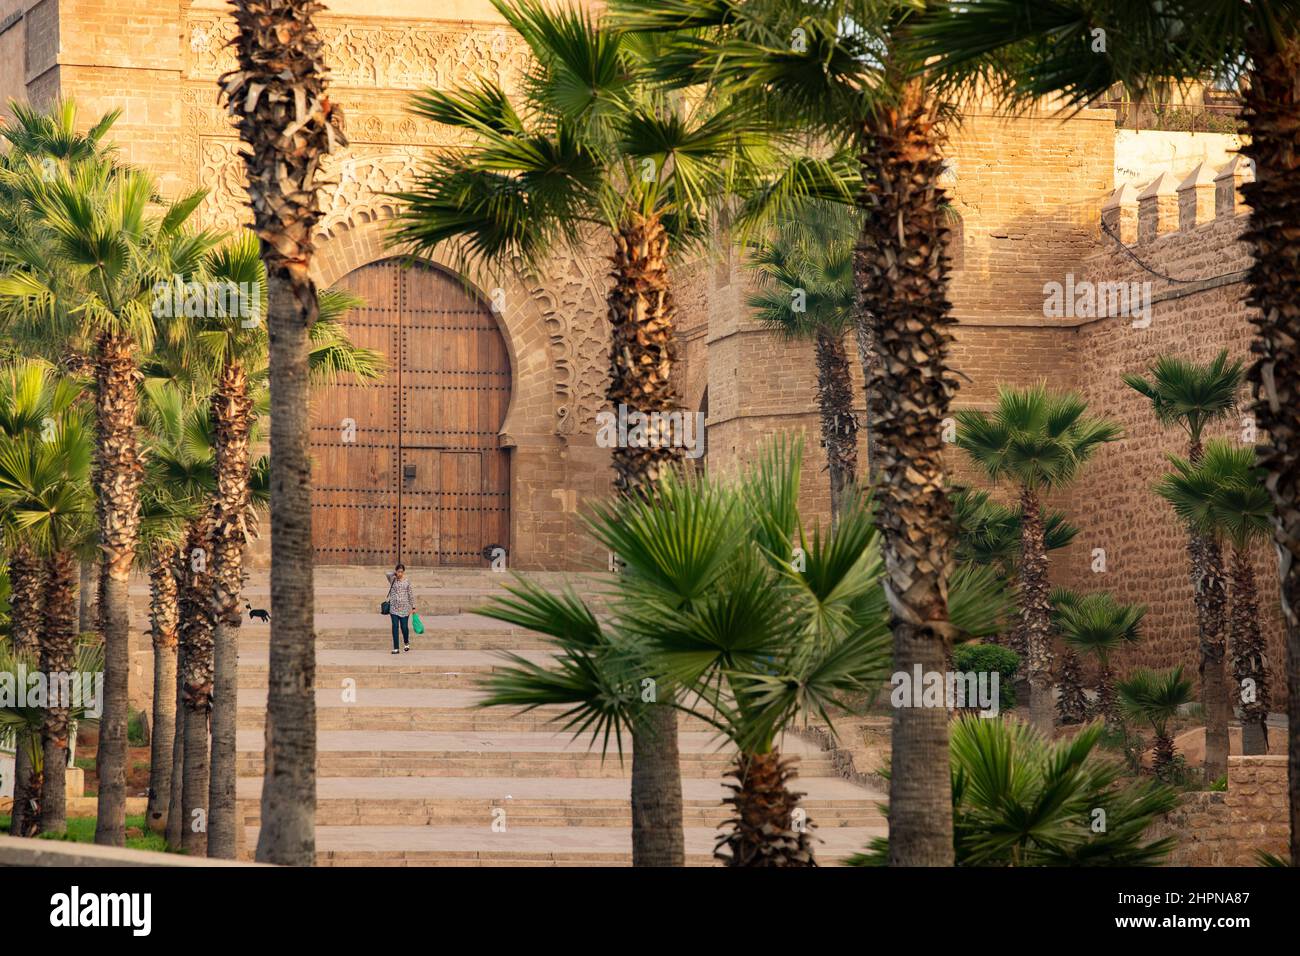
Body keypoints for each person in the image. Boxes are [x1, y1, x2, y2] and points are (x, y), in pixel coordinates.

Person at [384, 563, 417, 654]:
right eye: (398, 572)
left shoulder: (407, 581)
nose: (400, 574)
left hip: (404, 608)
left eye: (401, 572)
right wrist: (394, 574)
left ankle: (406, 643)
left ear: (404, 572)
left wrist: (413, 607)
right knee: (395, 627)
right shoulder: (392, 579)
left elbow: (410, 594)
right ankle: (396, 648)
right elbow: (387, 573)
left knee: (404, 627)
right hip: (394, 608)